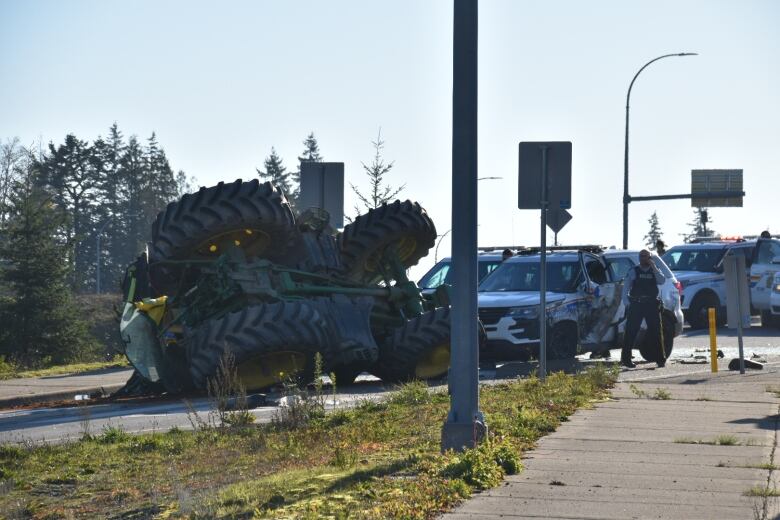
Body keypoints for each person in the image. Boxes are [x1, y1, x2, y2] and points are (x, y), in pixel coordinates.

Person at [621, 249, 666, 368]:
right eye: (641, 256)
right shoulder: (634, 271)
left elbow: (662, 281)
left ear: (650, 258)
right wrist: (627, 303)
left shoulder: (654, 270)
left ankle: (660, 359)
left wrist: (654, 267)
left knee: (656, 331)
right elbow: (626, 288)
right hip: (637, 304)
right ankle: (626, 359)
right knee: (631, 331)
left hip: (651, 304)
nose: (643, 258)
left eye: (645, 256)